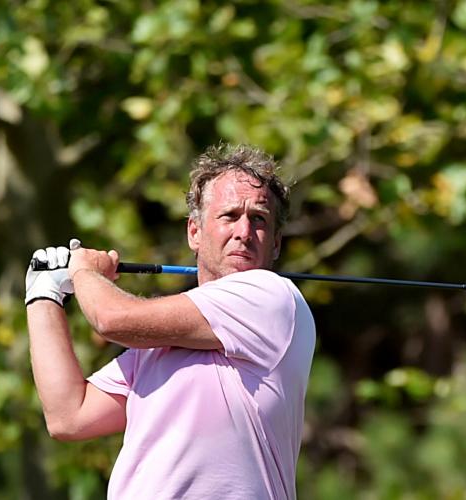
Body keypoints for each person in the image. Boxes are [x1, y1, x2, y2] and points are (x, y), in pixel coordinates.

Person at [24, 143, 316, 499]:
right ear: (195, 232)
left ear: (276, 244)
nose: (244, 231)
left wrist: (84, 271)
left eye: (259, 219)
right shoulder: (155, 348)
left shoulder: (272, 297)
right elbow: (68, 416)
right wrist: (43, 295)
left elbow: (112, 318)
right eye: (229, 216)